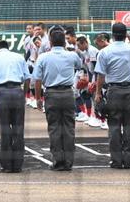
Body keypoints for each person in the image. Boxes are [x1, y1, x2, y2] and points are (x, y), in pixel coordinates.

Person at [94, 22, 130, 169]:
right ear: (124, 35)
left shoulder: (104, 51)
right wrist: (128, 34)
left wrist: (98, 93)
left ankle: (116, 161)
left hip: (113, 92)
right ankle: (128, 161)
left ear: (112, 35)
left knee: (114, 127)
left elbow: (101, 76)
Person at [34, 29, 84, 171]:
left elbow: (37, 80)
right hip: (68, 94)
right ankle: (68, 162)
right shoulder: (72, 55)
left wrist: (38, 98)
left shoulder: (43, 57)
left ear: (50, 42)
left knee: (54, 129)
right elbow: (80, 67)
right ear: (64, 41)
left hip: (51, 94)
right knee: (69, 128)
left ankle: (58, 162)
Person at [0, 39, 31, 173]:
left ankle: (7, 165)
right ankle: (18, 165)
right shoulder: (18, 57)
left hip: (2, 93)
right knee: (18, 129)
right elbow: (28, 78)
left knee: (4, 130)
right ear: (8, 47)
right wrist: (24, 94)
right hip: (17, 91)